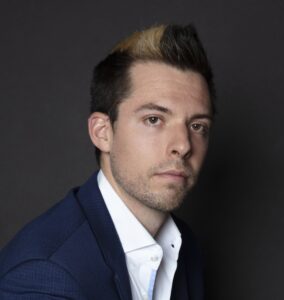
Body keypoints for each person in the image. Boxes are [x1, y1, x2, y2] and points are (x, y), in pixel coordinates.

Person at [0, 24, 215, 300]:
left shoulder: (186, 248)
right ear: (102, 133)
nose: (183, 145)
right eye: (154, 120)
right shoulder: (46, 275)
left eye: (198, 126)